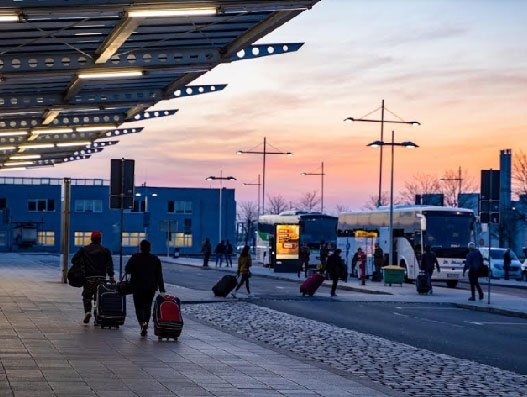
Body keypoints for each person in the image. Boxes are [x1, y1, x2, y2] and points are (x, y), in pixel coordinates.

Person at [71, 230, 114, 324]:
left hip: (89, 278)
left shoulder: (84, 249)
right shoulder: (106, 251)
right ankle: (97, 316)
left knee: (87, 296)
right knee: (99, 298)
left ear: (91, 239)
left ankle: (87, 312)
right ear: (100, 239)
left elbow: (74, 260)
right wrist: (111, 276)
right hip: (101, 278)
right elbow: (109, 265)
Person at [125, 240, 166, 336]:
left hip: (137, 287)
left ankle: (141, 324)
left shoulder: (135, 257)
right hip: (150, 287)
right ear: (150, 248)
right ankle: (145, 324)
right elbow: (159, 275)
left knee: (138, 307)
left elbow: (127, 270)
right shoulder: (155, 259)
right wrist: (162, 289)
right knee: (147, 307)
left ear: (140, 247)